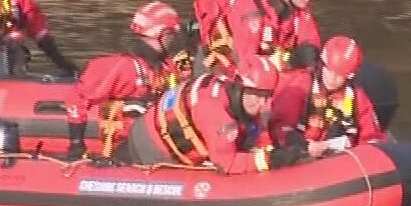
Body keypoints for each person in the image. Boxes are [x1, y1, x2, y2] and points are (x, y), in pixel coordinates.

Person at [123, 56, 311, 174]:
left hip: (159, 127)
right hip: (150, 147)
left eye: (267, 95)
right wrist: (273, 159)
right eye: (258, 95)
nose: (263, 103)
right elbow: (226, 163)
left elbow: (256, 137)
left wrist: (290, 146)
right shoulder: (216, 110)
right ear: (240, 87)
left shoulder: (242, 101)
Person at [63, 1, 193, 161]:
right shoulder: (123, 67)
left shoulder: (166, 67)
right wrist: (77, 145)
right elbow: (77, 99)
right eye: (172, 35)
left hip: (159, 140)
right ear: (163, 34)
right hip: (128, 148)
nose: (174, 40)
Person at [269, 35, 387, 159]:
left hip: (339, 160)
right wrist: (305, 146)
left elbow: (371, 137)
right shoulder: (300, 87)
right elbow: (280, 128)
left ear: (348, 77)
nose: (332, 78)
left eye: (339, 75)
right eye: (329, 70)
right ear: (322, 64)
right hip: (300, 154)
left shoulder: (355, 97)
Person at [206, 0, 325, 74]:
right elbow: (247, 67)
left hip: (273, 74)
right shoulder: (250, 10)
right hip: (231, 76)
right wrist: (290, 66)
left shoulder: (300, 13)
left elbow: (311, 49)